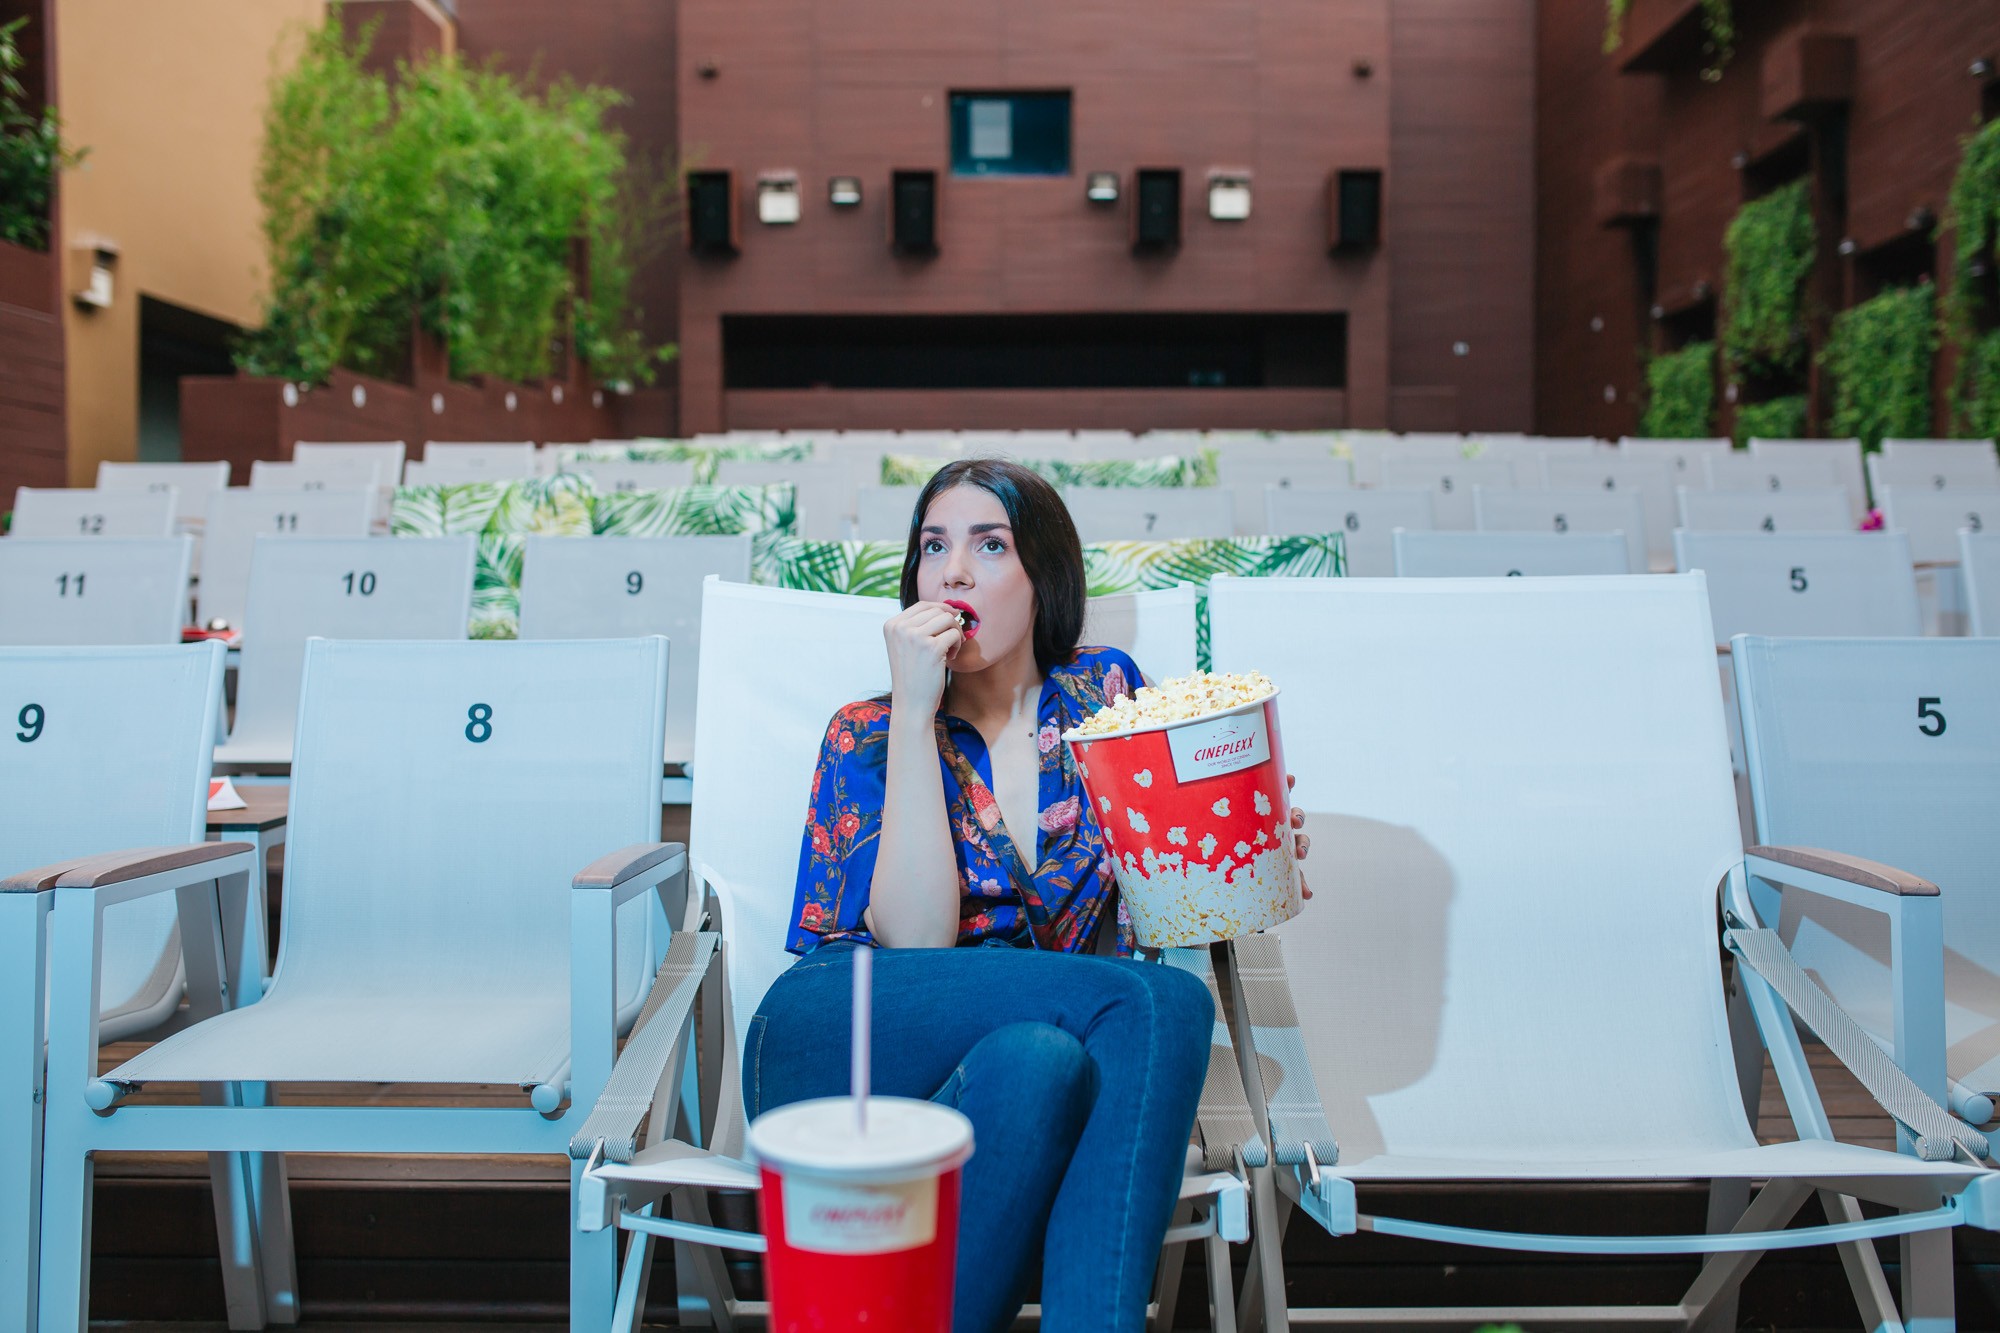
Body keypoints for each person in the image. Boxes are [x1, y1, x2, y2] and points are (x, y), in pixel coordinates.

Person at [745, 457, 1310, 1333]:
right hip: (840, 1037)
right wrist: (914, 711)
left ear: (1044, 575)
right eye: (933, 547)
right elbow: (915, 938)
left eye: (989, 545)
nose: (953, 572)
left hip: (999, 1072)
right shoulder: (868, 728)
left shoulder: (1104, 694)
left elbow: (1165, 898)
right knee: (1160, 1003)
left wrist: (1240, 842)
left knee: (1043, 1060)